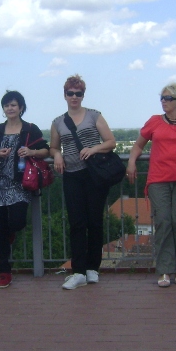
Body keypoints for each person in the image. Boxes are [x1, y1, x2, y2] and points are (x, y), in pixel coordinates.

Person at [126, 83, 176, 288]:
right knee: (163, 221)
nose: (163, 101)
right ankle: (164, 269)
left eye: (168, 98)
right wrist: (131, 162)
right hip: (158, 179)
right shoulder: (154, 121)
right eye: (162, 98)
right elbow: (138, 145)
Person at [50, 74, 117, 290]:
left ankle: (92, 268)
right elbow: (54, 146)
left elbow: (111, 142)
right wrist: (57, 155)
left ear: (83, 95)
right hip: (72, 175)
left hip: (94, 174)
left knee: (94, 221)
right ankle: (78, 271)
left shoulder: (94, 115)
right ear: (64, 95)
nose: (74, 97)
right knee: (77, 223)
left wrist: (94, 148)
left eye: (78, 93)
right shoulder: (58, 122)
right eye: (70, 93)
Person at [0, 91, 49, 288]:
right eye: (6, 105)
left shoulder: (30, 129)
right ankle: (4, 272)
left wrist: (31, 151)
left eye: (13, 105)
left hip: (18, 183)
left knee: (18, 221)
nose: (10, 108)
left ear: (21, 107)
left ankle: (11, 232)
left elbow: (45, 150)